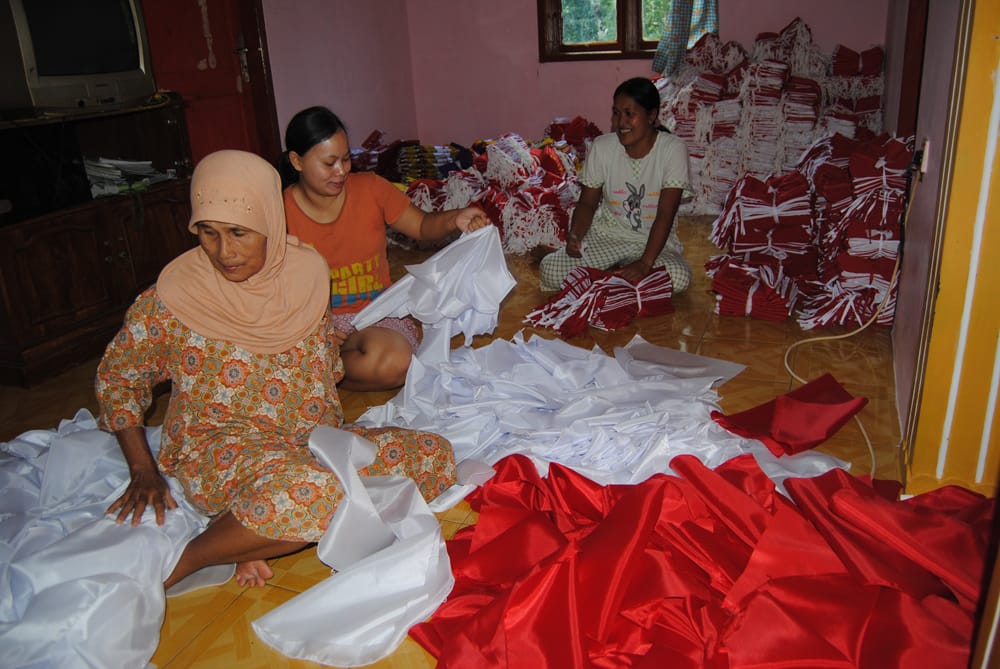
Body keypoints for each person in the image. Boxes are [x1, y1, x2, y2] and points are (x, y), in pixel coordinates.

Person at [96, 149, 457, 589]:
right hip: (223, 451)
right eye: (207, 233)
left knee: (433, 455)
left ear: (270, 219)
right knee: (319, 498)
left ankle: (255, 533)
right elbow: (119, 378)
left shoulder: (305, 274)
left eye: (239, 233)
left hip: (309, 443)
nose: (223, 252)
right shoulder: (171, 299)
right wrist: (143, 470)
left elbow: (320, 362)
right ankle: (192, 557)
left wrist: (333, 348)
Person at [279, 106, 489, 392]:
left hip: (375, 314)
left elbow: (422, 225)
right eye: (329, 163)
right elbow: (273, 288)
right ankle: (322, 365)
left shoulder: (371, 189)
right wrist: (318, 328)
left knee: (397, 363)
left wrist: (456, 217)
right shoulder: (279, 212)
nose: (341, 171)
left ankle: (321, 374)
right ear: (297, 161)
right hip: (311, 324)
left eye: (346, 159)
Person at [539, 77, 693, 294]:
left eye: (630, 114)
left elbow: (665, 213)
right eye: (616, 113)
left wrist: (645, 263)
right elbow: (587, 204)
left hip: (654, 244)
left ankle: (606, 279)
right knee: (551, 271)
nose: (621, 122)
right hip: (608, 237)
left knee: (678, 278)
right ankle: (620, 278)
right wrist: (575, 235)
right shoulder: (602, 147)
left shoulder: (672, 149)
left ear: (651, 116)